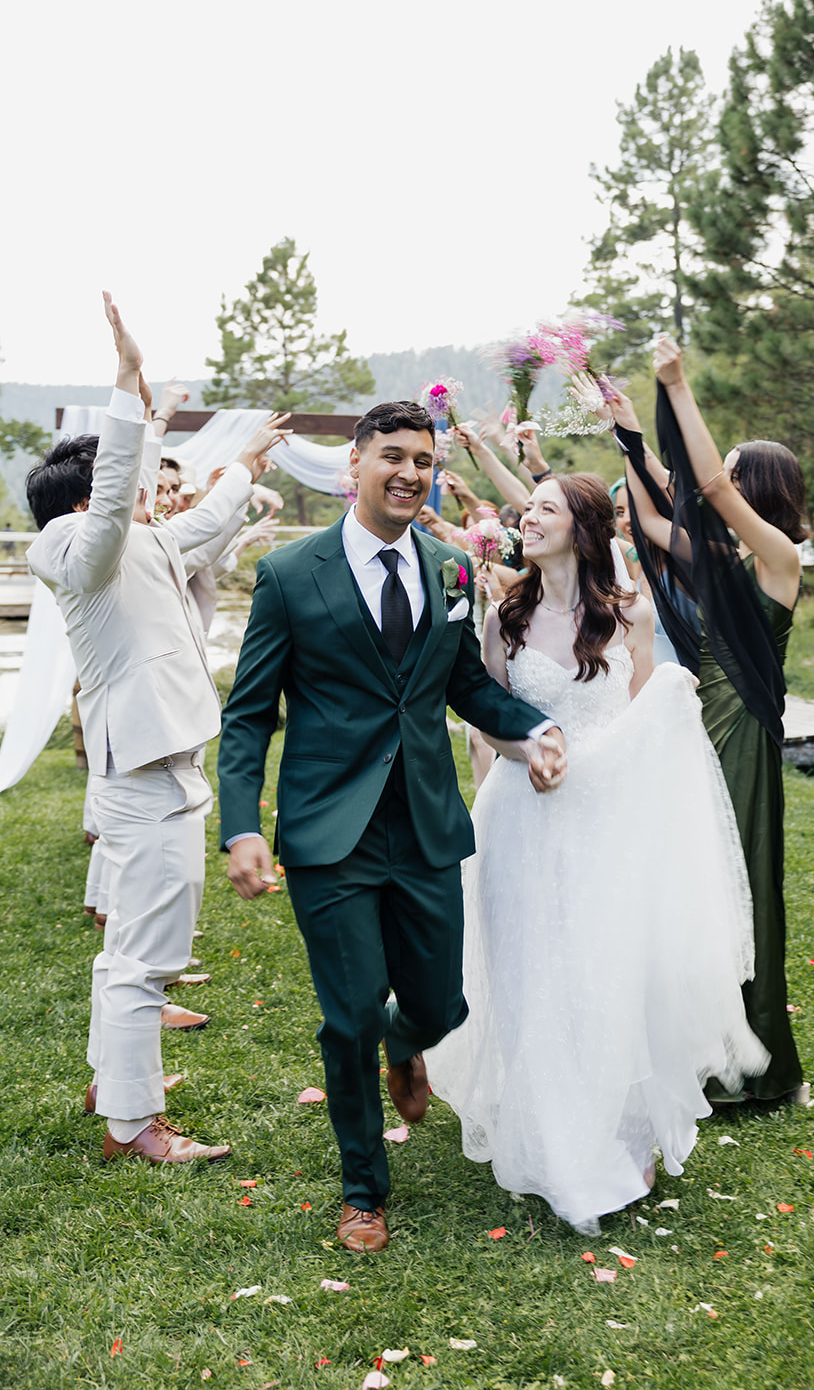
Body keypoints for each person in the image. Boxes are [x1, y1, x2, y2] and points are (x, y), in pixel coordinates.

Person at [218, 400, 568, 1255]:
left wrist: (528, 731)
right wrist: (240, 825)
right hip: (326, 831)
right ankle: (362, 1191)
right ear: (357, 465)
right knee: (347, 1016)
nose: (410, 473)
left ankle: (405, 1047)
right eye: (394, 457)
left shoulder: (451, 570)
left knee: (440, 1004)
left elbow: (466, 689)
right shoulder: (290, 574)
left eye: (424, 459)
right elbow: (249, 713)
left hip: (424, 825)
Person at [426, 473, 767, 1234]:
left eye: (545, 508)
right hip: (517, 820)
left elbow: (651, 727)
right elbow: (487, 717)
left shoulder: (629, 617)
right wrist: (519, 761)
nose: (528, 518)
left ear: (582, 529)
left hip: (605, 825)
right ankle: (549, 1142)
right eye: (528, 509)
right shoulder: (502, 618)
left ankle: (618, 1133)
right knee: (524, 977)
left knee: (599, 973)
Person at [25, 292, 287, 1164]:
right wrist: (128, 384)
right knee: (146, 960)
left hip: (170, 769)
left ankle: (115, 1081)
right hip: (139, 777)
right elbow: (108, 509)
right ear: (86, 494)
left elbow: (205, 524)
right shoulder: (70, 546)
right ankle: (134, 1124)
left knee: (131, 956)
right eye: (130, 477)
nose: (147, 489)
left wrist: (246, 461)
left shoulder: (147, 541)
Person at [607, 336, 808, 1105]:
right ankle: (703, 1050)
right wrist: (629, 432)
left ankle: (757, 1070)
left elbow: (704, 486)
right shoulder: (722, 562)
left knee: (746, 887)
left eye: (730, 466)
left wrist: (677, 386)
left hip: (743, 735)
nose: (717, 472)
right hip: (694, 730)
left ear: (757, 484)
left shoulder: (778, 558)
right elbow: (655, 519)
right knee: (696, 884)